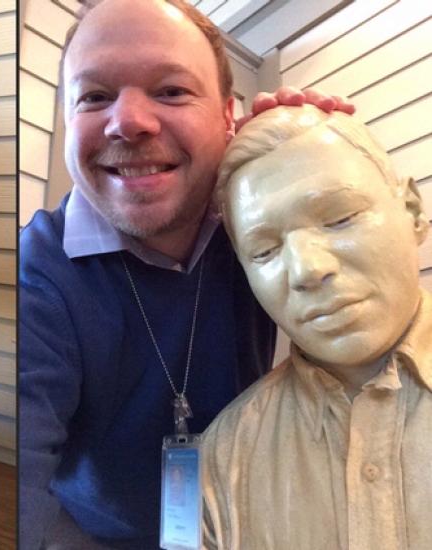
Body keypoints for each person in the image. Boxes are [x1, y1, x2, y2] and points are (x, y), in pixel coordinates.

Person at [18, 0, 355, 547]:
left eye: (171, 91)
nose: (127, 121)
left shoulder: (264, 224)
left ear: (227, 117)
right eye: (95, 96)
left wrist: (302, 170)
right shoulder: (35, 278)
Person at [203, 105, 431, 549]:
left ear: (412, 210)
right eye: (264, 251)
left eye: (340, 217)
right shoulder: (225, 455)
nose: (307, 269)